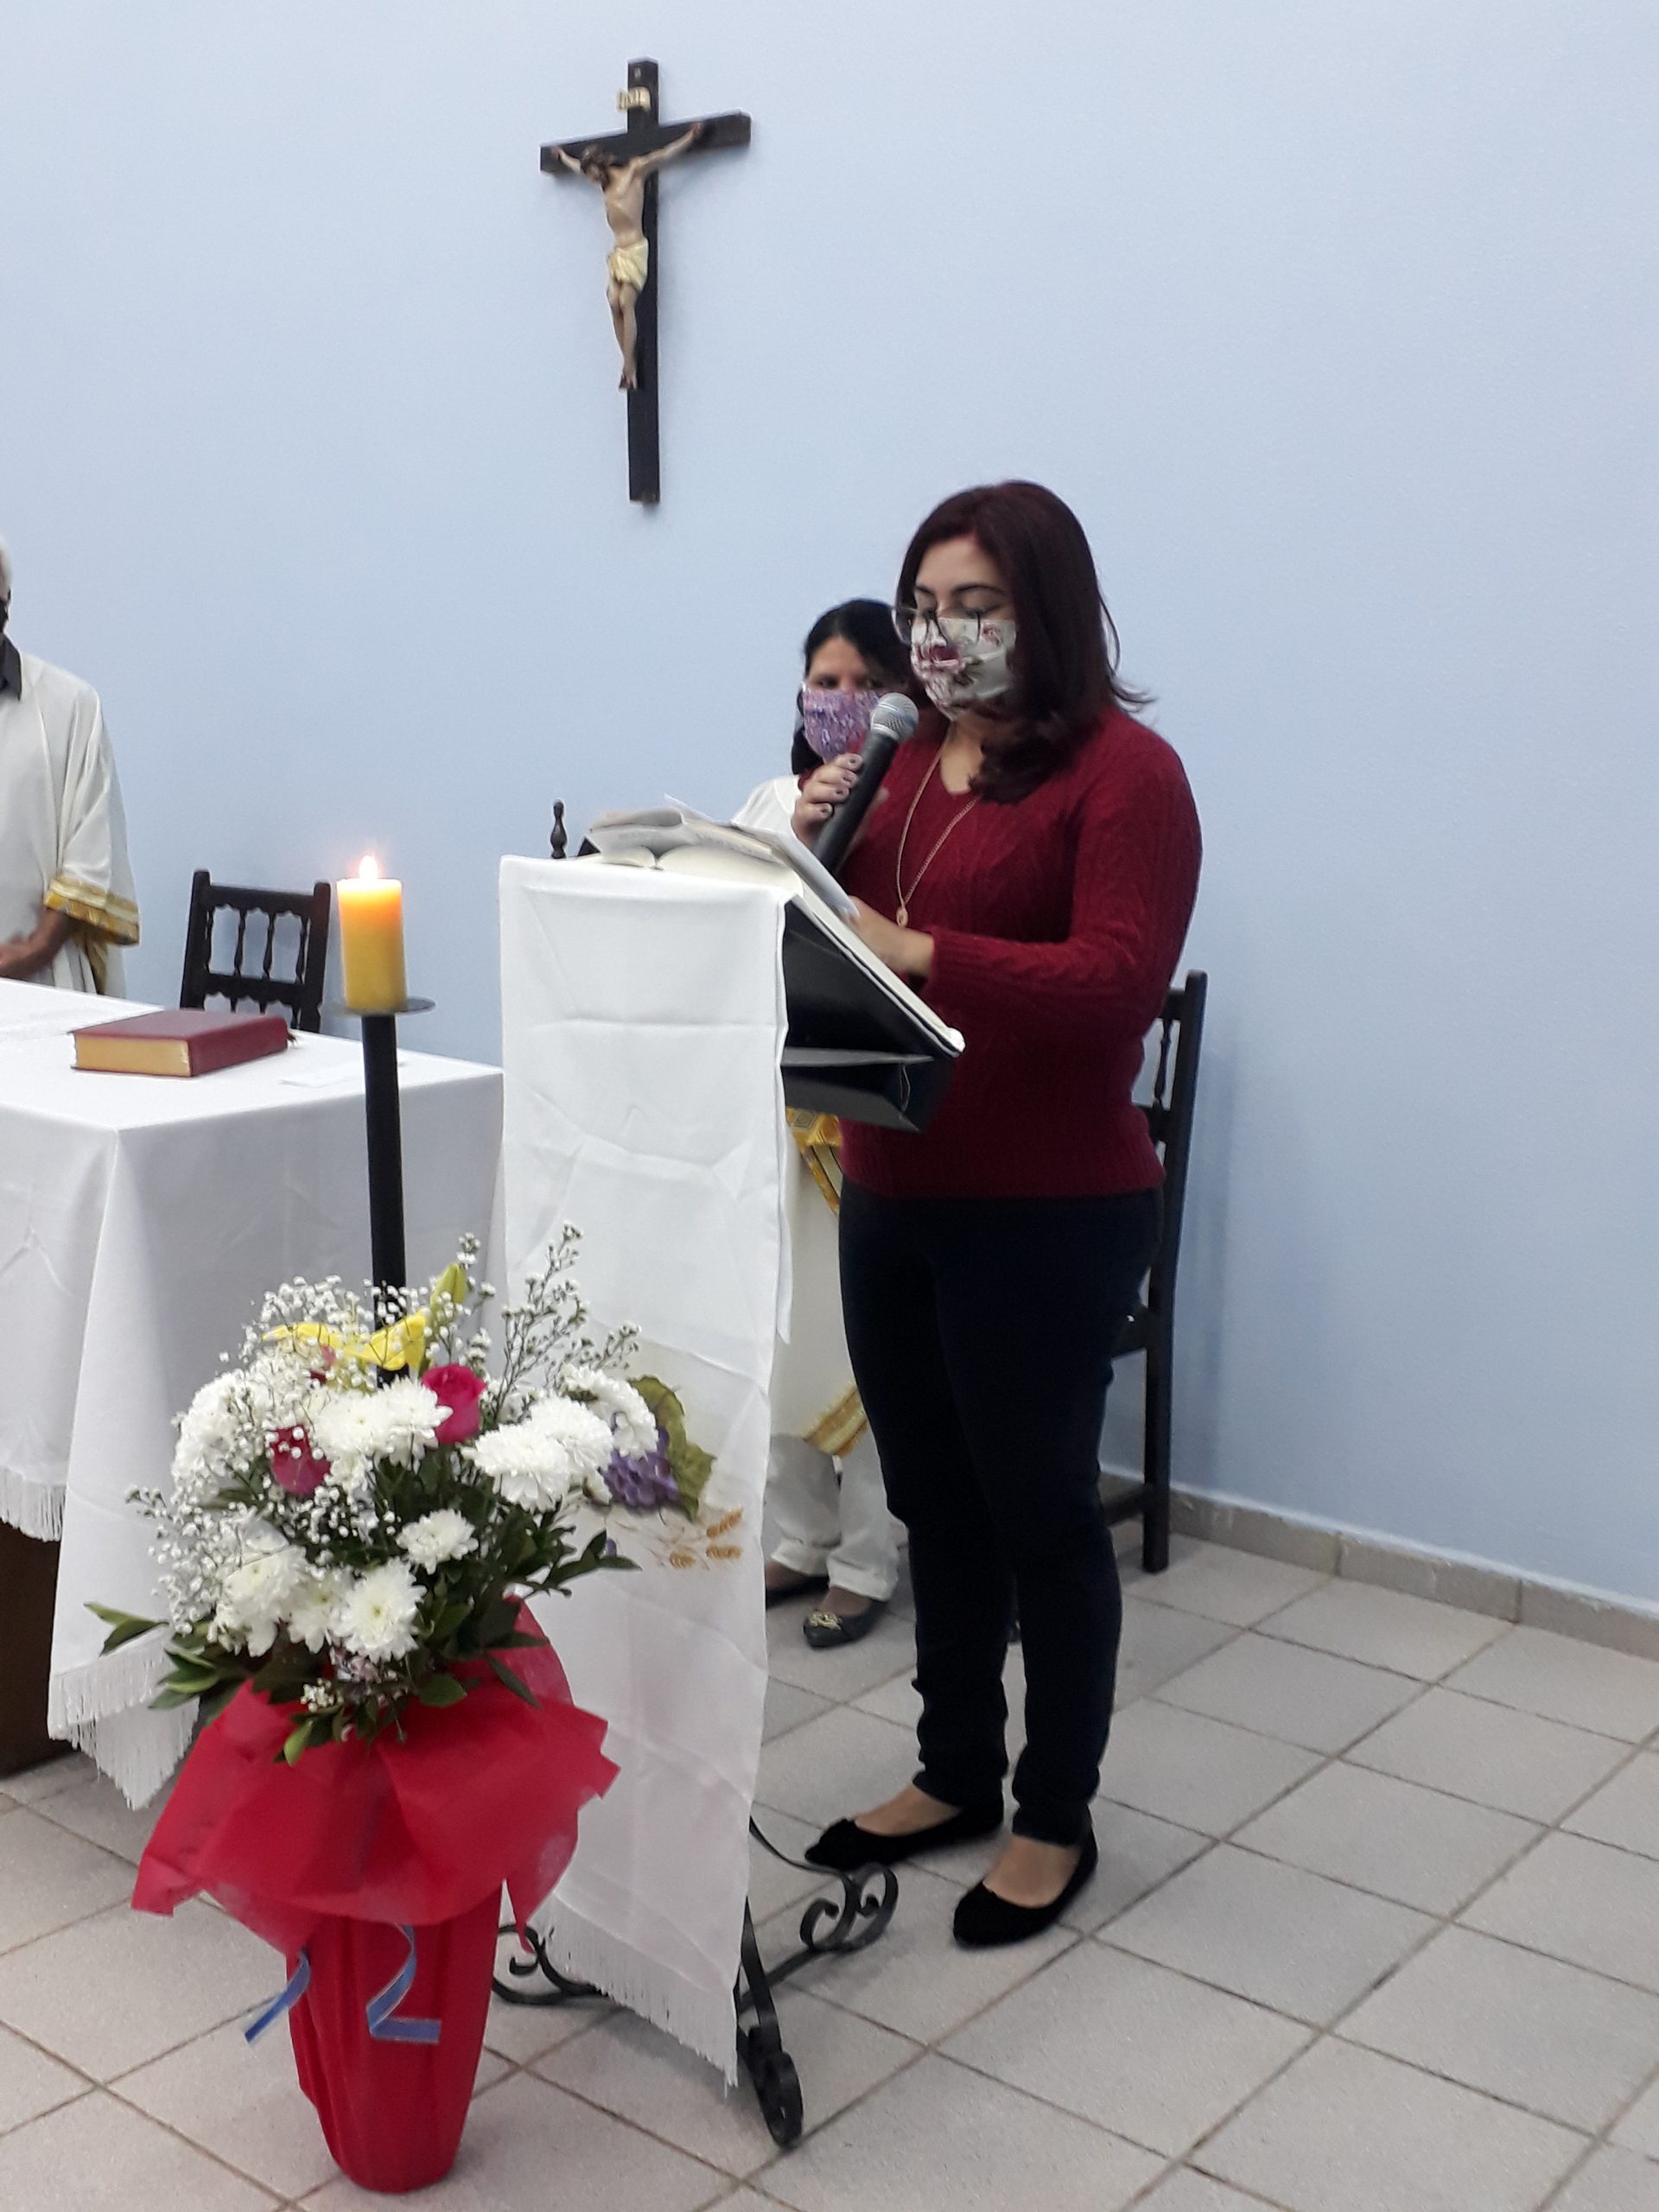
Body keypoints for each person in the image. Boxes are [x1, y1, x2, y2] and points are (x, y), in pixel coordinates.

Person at [797, 484, 1201, 1946]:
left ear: (1050, 610)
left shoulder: (1128, 776)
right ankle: (954, 1768)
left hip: (1047, 1208)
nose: (940, 637)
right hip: (892, 1189)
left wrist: (920, 947)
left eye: (974, 607)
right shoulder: (900, 765)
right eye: (923, 609)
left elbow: (1114, 983)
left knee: (1039, 1516)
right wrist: (802, 853)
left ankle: (1053, 1816)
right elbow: (839, 945)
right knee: (931, 1503)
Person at [734, 601, 910, 1647]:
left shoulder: (915, 805)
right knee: (784, 1329)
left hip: (862, 1115)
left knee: (865, 1346)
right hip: (778, 1105)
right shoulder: (771, 798)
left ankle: (867, 1556)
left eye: (862, 683)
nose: (841, 701)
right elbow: (733, 913)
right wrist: (794, 833)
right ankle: (800, 1536)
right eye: (824, 682)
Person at [0, 539, 139, 992]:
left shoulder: (71, 707)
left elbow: (93, 847)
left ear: (6, 599)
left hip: (41, 979)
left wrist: (35, 948)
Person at [552, 124, 705, 390]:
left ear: (601, 165)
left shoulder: (634, 172)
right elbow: (576, 167)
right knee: (613, 301)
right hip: (618, 251)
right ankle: (626, 361)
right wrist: (563, 157)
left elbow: (663, 154)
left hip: (634, 248)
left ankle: (629, 366)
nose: (591, 179)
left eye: (593, 173)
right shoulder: (603, 186)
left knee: (626, 301)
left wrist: (689, 138)